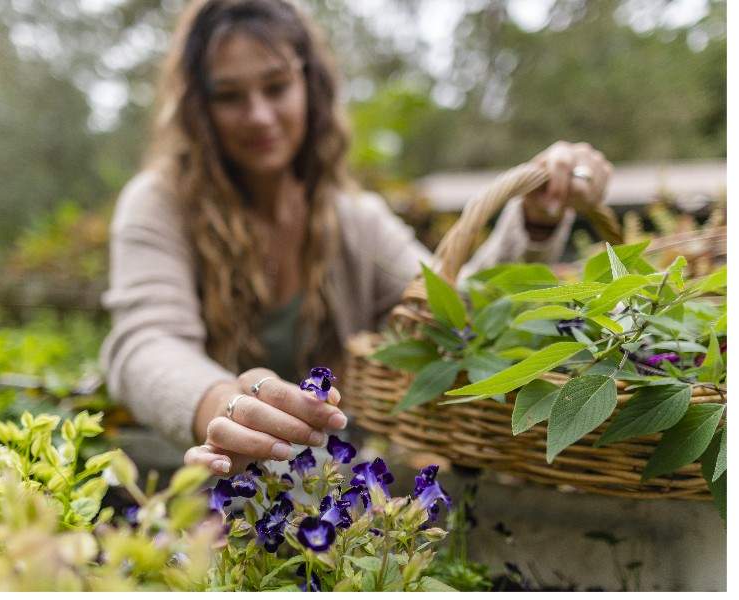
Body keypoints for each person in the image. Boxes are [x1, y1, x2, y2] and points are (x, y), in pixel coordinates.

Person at [100, 0, 612, 476]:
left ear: (310, 85)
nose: (258, 115)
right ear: (199, 108)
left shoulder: (353, 220)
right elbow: (145, 343)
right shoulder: (159, 204)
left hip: (328, 487)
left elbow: (451, 310)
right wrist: (217, 405)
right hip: (198, 484)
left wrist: (536, 222)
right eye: (229, 96)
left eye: (276, 86)